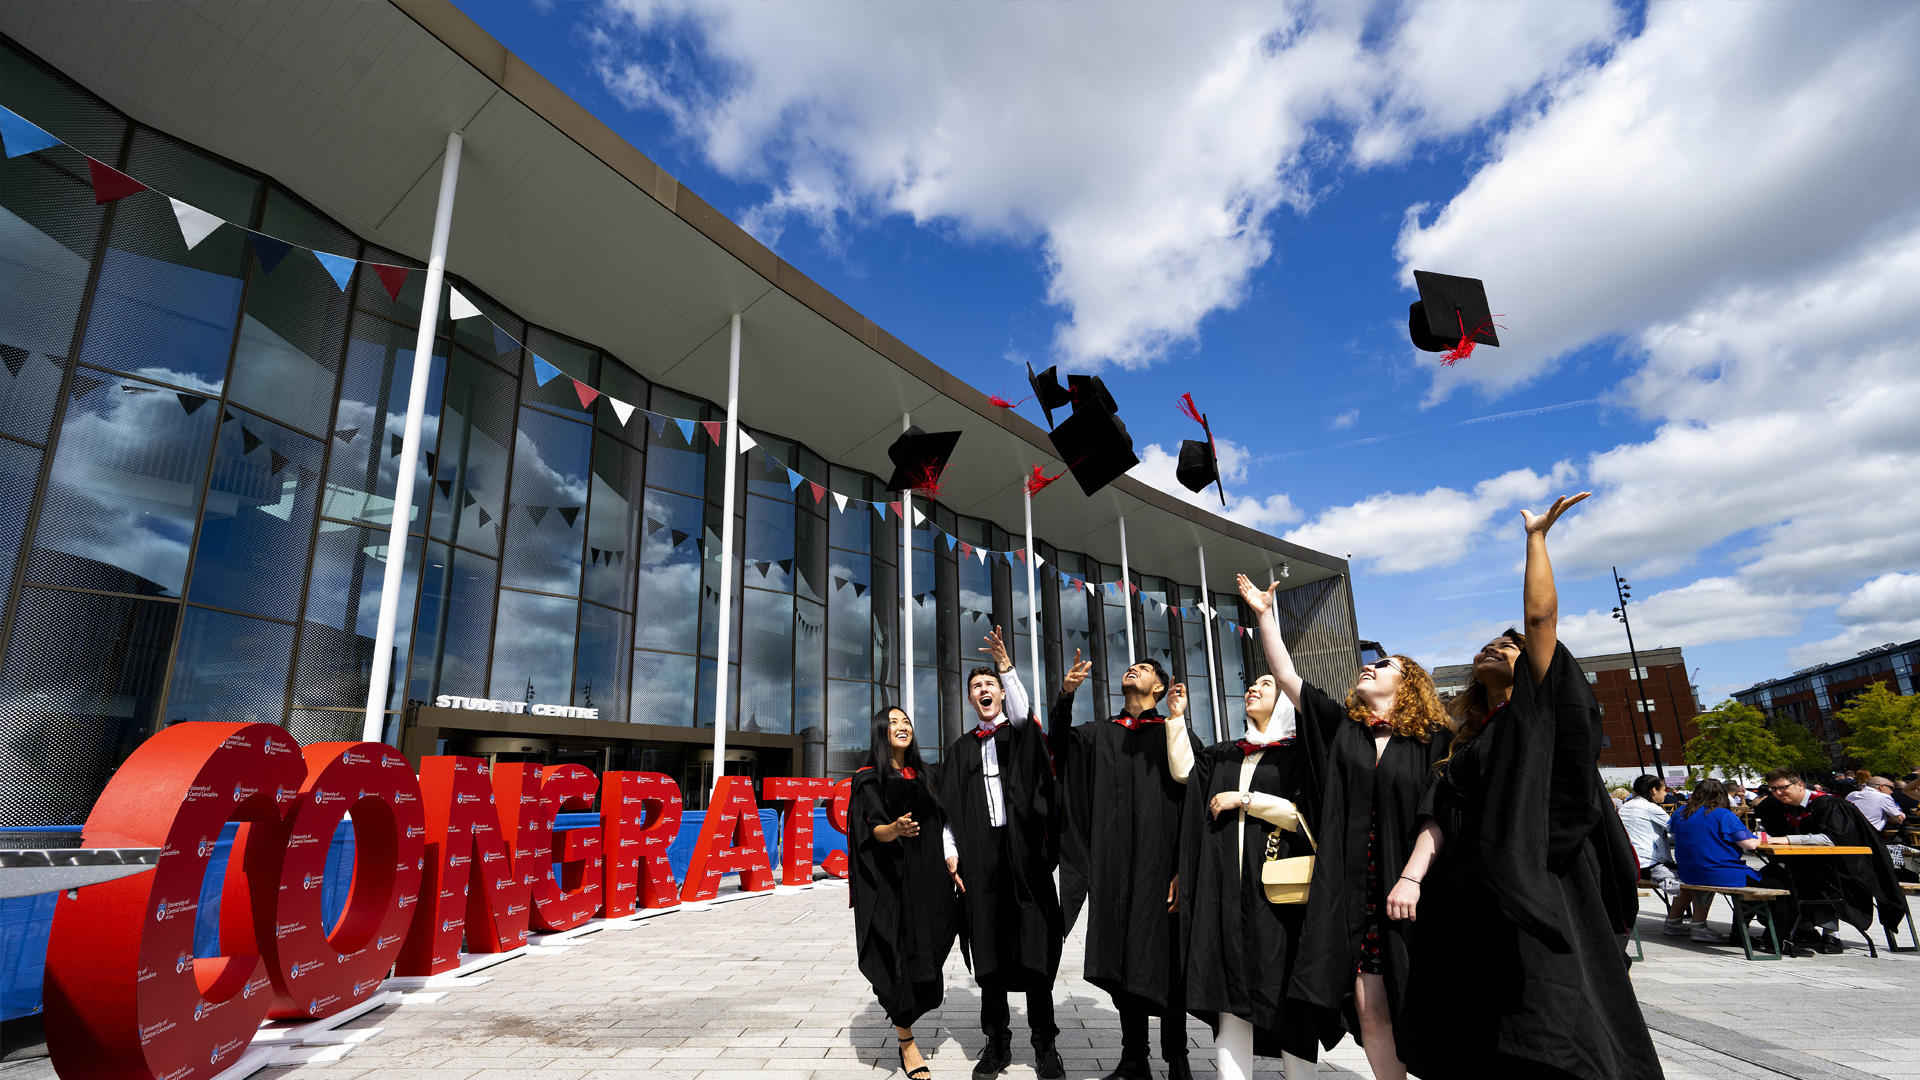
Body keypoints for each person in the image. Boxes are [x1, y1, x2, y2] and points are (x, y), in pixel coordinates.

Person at [1398, 493, 1663, 1080]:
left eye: (1510, 644)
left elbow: (1541, 620)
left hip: (1538, 890)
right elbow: (1440, 816)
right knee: (1477, 1036)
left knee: (1546, 1031)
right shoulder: (1463, 745)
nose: (1497, 645)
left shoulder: (1535, 715)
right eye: (1489, 643)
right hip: (1471, 902)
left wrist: (1536, 539)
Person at [1238, 574, 1448, 1080]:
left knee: (1430, 999)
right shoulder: (1343, 730)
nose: (1369, 667)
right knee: (1367, 1000)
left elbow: (1437, 814)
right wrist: (1266, 615)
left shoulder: (1434, 741)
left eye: (1384, 665)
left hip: (1420, 890)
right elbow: (1287, 675)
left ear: (1409, 684)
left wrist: (1413, 877)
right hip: (1352, 895)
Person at [1047, 651, 1200, 1080]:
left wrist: (1182, 872)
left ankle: (1177, 1058)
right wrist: (1065, 695)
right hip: (1113, 870)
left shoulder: (1173, 732)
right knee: (1122, 961)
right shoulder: (1101, 733)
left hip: (1161, 869)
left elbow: (1195, 803)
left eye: (1147, 669)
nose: (1134, 668)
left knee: (1165, 962)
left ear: (1160, 688)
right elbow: (1057, 744)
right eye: (1131, 665)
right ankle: (1134, 1058)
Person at [1172, 670, 1324, 1080]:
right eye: (1252, 683)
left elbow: (1304, 818)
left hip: (1278, 895)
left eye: (1267, 684)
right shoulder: (1226, 752)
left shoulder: (1300, 754)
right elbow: (1185, 772)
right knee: (1227, 991)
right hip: (1226, 889)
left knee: (1288, 995)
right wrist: (1175, 718)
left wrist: (1247, 800)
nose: (1253, 688)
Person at [937, 626, 1064, 1080]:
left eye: (989, 684)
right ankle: (997, 1043)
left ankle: (1045, 1045)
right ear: (970, 700)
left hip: (1023, 854)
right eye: (977, 687)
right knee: (988, 948)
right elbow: (947, 810)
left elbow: (1025, 712)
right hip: (979, 855)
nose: (984, 690)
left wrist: (1006, 666)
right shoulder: (959, 750)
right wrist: (950, 851)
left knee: (1033, 949)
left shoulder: (1020, 734)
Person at [850, 706, 958, 1080]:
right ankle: (906, 1041)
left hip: (928, 879)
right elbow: (871, 831)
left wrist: (951, 856)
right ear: (881, 731)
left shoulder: (926, 774)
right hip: (890, 883)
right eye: (893, 722)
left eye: (907, 721)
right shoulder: (868, 778)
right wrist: (895, 828)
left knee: (933, 947)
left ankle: (911, 1014)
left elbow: (944, 821)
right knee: (896, 959)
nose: (902, 726)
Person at [1751, 768, 1906, 954]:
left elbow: (1832, 838)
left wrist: (1787, 839)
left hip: (1846, 865)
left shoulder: (1828, 804)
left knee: (1820, 880)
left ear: (1799, 785)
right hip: (1805, 861)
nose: (1778, 792)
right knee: (1772, 876)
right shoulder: (1778, 806)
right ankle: (1800, 928)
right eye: (1773, 789)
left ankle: (1831, 934)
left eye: (1783, 788)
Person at [1666, 778, 1764, 943]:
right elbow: (1750, 844)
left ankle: (1686, 924)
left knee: (1700, 881)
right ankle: (1743, 933)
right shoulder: (1723, 814)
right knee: (1771, 882)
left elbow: (1673, 835)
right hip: (1719, 871)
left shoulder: (1681, 812)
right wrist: (1759, 839)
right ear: (1722, 795)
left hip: (1688, 869)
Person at [1618, 775, 1684, 934]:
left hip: (1628, 863)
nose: (1665, 794)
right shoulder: (1651, 808)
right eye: (1664, 790)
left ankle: (1676, 920)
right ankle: (1680, 923)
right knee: (1692, 881)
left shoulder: (1625, 807)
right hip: (1649, 865)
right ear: (1653, 790)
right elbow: (1676, 830)